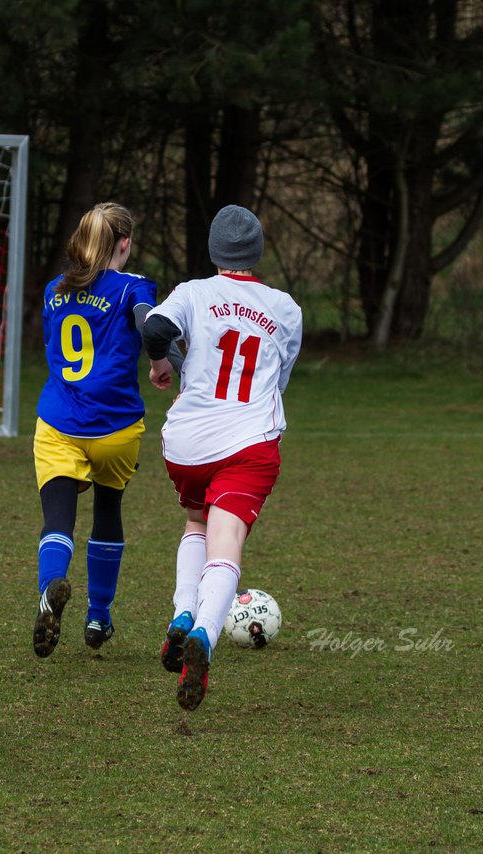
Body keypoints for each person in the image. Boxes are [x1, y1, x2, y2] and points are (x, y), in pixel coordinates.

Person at [142, 204, 303, 711]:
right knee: (225, 541)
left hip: (187, 442)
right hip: (247, 443)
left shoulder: (192, 293)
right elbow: (278, 379)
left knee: (196, 522)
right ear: (256, 252)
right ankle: (205, 638)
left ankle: (181, 616)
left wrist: (163, 362)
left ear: (213, 252)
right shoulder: (285, 308)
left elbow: (153, 330)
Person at [31, 202, 179, 657]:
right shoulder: (134, 287)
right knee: (108, 510)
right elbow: (149, 326)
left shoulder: (55, 289)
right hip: (115, 426)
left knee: (57, 519)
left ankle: (50, 590)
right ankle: (98, 617)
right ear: (125, 243)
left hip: (59, 421)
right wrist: (161, 363)